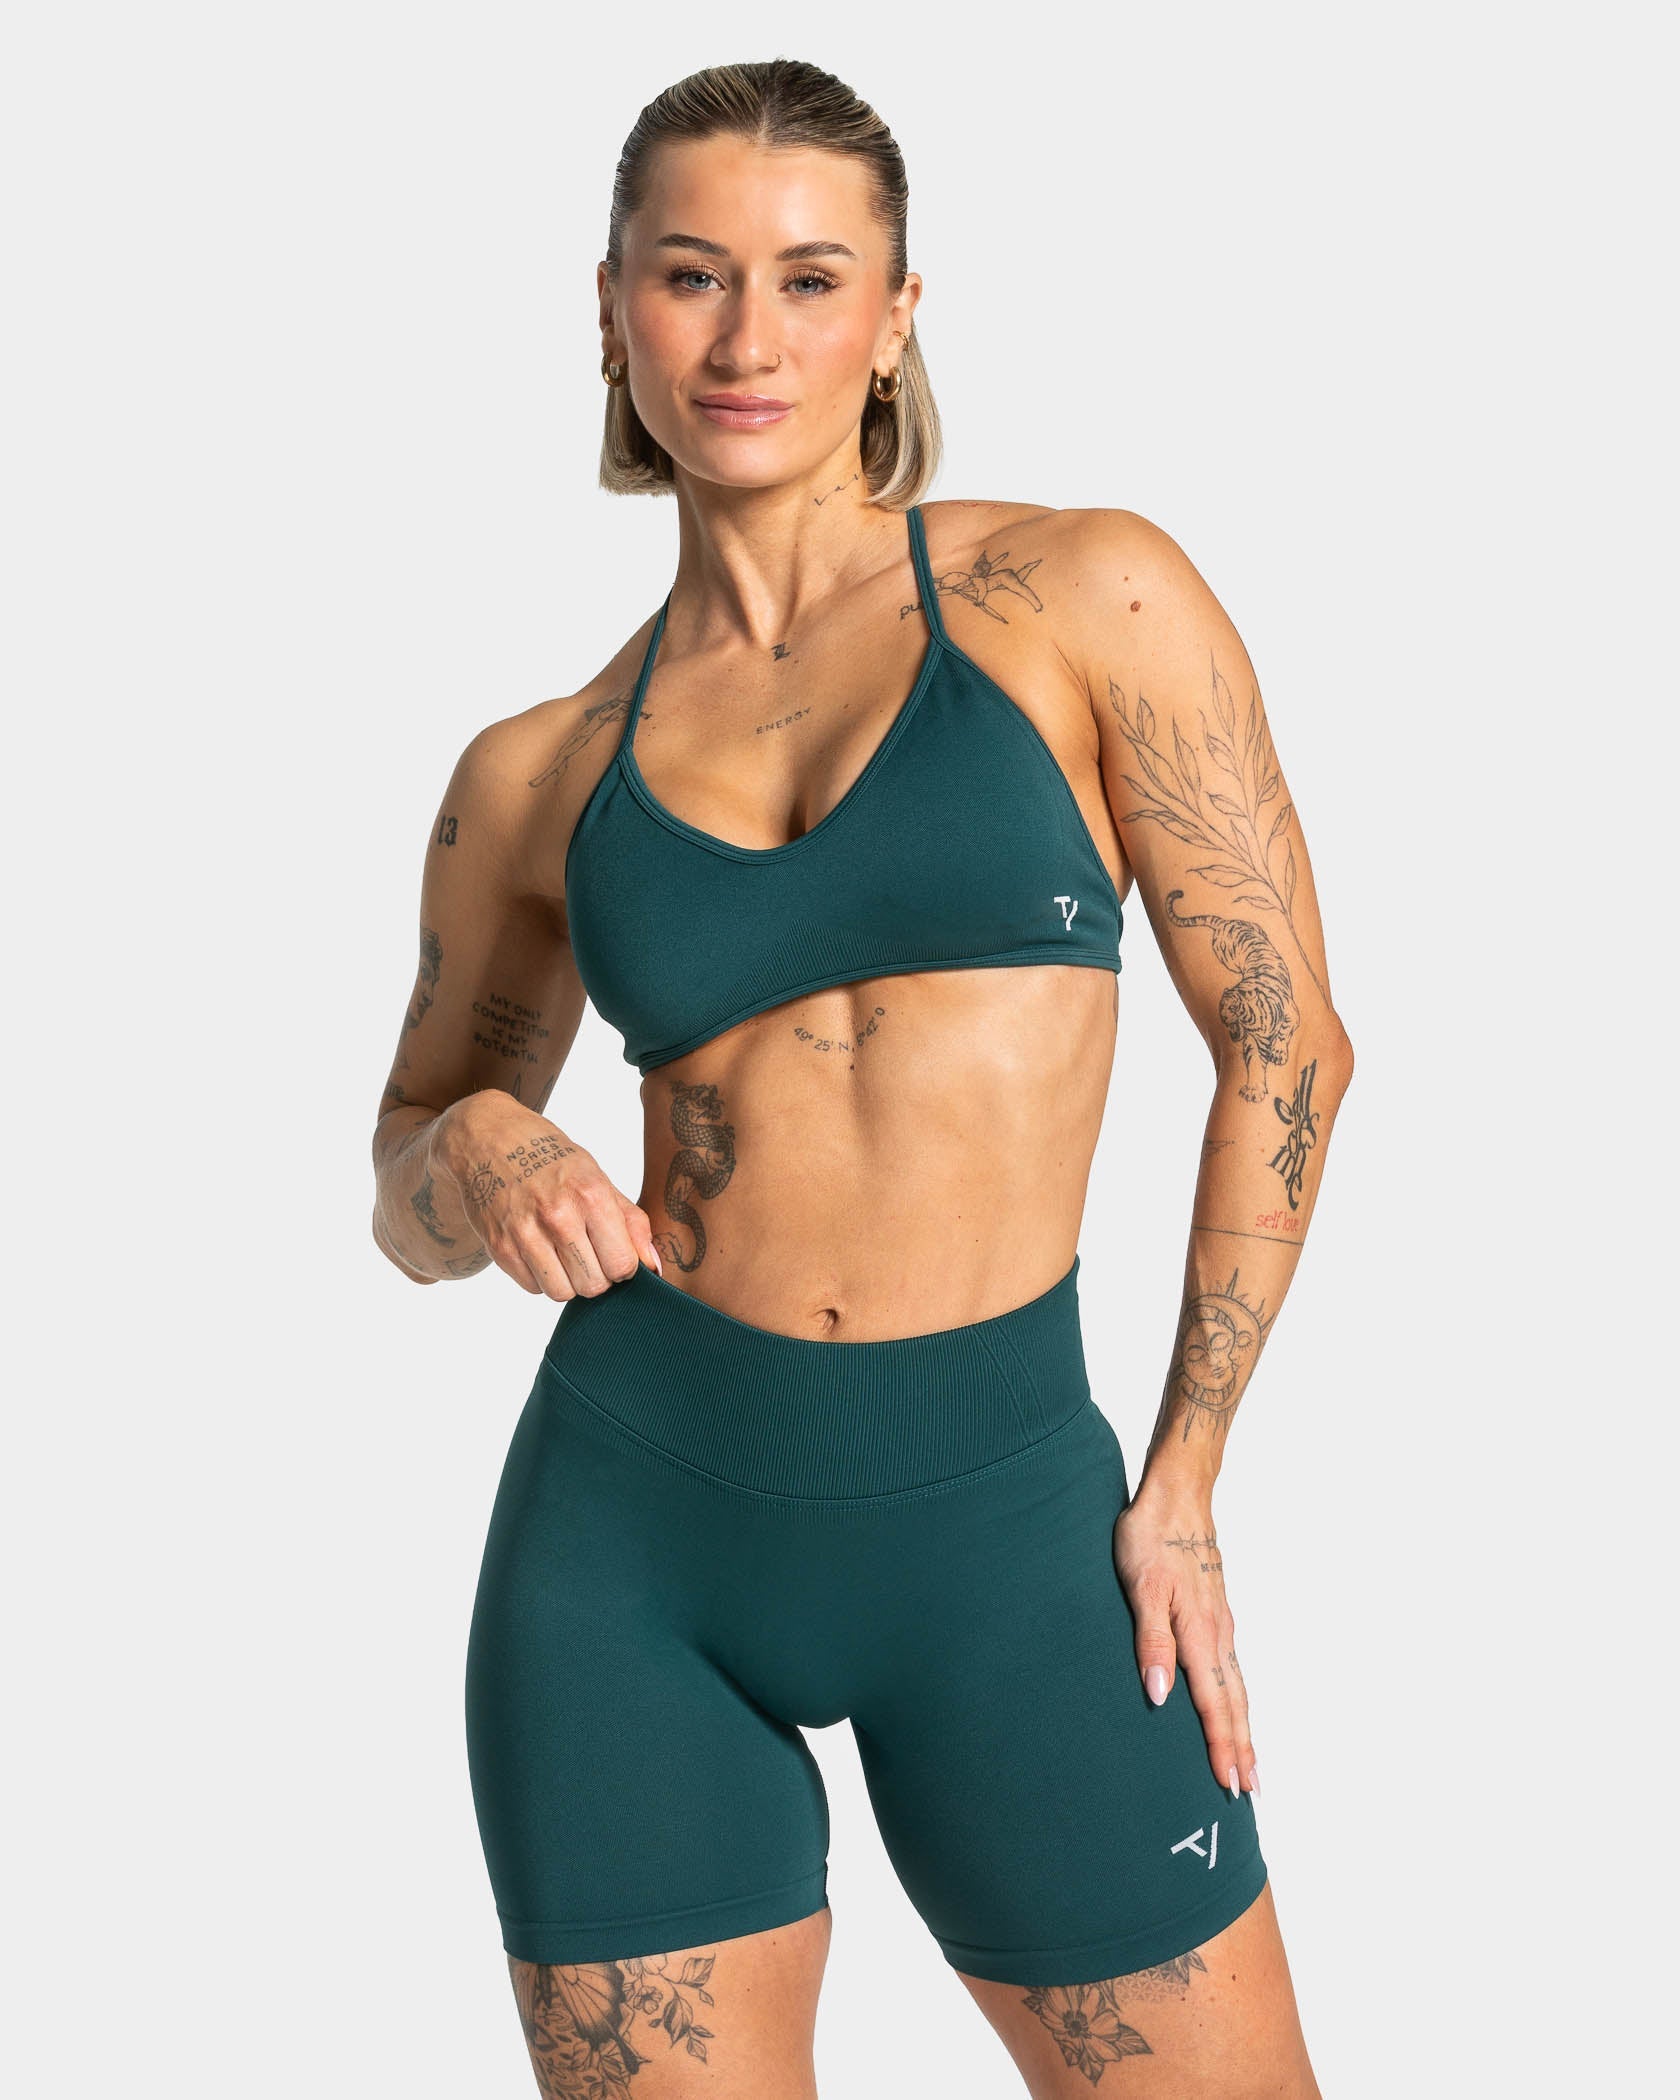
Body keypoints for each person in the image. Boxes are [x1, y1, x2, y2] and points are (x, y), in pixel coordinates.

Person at [370, 56, 1349, 2100]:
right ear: (615, 310)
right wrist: (483, 1142)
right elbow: (403, 1188)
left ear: (897, 315)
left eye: (812, 280)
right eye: (692, 275)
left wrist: (1187, 1471)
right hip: (634, 1549)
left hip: (1013, 1534)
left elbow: (1285, 1038)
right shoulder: (536, 774)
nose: (749, 339)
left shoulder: (1083, 597)